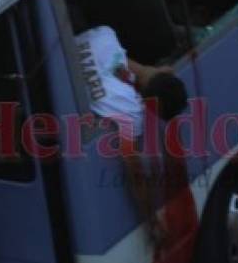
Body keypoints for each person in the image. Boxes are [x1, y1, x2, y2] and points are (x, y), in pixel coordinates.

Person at [75, 24, 188, 246]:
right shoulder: (127, 108)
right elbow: (134, 170)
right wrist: (151, 219)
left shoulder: (106, 34)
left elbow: (122, 66)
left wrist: (155, 72)